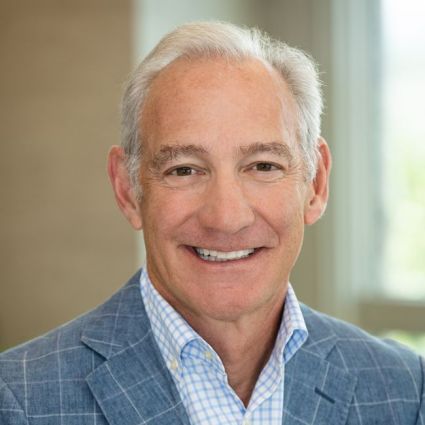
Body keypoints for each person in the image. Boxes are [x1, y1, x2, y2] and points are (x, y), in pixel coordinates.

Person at [0, 21, 424, 425]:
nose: (226, 218)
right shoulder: (19, 399)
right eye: (184, 170)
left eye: (263, 165)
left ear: (315, 183)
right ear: (128, 189)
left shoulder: (404, 390)